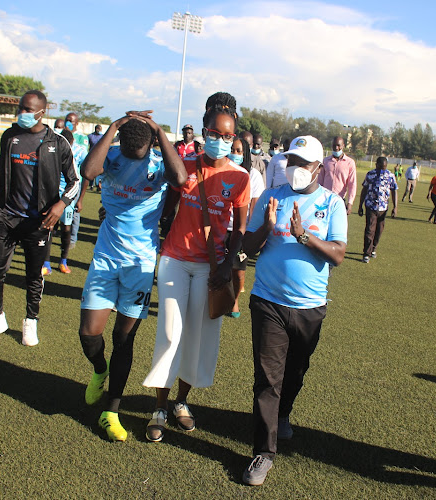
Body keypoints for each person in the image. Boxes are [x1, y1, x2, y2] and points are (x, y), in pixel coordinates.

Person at [142, 92, 250, 442]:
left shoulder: (241, 178)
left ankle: (181, 403)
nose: (221, 141)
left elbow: (240, 230)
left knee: (198, 338)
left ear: (235, 137)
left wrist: (226, 267)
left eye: (228, 136)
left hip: (211, 268)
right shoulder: (185, 166)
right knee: (171, 333)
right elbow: (167, 209)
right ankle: (159, 405)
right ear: (204, 132)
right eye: (215, 134)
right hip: (175, 260)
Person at [240, 135, 347, 486]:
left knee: (295, 372)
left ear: (318, 167)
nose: (294, 169)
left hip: (309, 307)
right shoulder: (271, 197)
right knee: (267, 378)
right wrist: (268, 228)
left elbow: (338, 255)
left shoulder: (332, 204)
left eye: (302, 163)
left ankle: (283, 414)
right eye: (291, 161)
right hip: (268, 302)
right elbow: (248, 247)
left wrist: (304, 236)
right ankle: (263, 453)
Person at [77, 111, 186, 442]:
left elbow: (180, 179)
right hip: (106, 259)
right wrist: (113, 128)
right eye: (125, 149)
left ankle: (111, 412)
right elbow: (87, 171)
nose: (130, 158)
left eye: (137, 152)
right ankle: (99, 370)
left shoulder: (158, 164)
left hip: (139, 264)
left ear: (151, 145)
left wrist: (158, 131)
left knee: (124, 339)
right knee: (88, 333)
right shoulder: (111, 155)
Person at [0, 90, 79, 346]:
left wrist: (60, 205)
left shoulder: (57, 142)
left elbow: (75, 181)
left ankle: (30, 321)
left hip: (40, 222)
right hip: (7, 216)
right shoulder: (10, 136)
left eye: (28, 109)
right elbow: (3, 168)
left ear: (41, 112)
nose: (22, 113)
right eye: (21, 108)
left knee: (34, 275)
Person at [41, 129, 89, 275]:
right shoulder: (51, 149)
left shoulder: (80, 152)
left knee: (66, 229)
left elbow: (86, 175)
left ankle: (63, 261)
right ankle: (46, 263)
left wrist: (80, 199)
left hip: (69, 195)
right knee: (48, 228)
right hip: (51, 194)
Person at [227, 137, 264, 318]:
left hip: (240, 230)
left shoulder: (254, 175)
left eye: (239, 151)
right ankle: (214, 299)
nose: (234, 154)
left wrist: (249, 233)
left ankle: (234, 301)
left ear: (245, 154)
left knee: (238, 272)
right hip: (220, 228)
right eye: (232, 150)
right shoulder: (222, 170)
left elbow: (254, 208)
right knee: (214, 268)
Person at [358, 156, 397, 262]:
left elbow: (394, 191)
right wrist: (360, 205)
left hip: (383, 208)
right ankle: (366, 253)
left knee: (379, 230)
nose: (382, 170)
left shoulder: (390, 175)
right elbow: (364, 189)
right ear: (376, 165)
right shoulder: (370, 174)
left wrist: (395, 207)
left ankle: (373, 248)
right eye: (380, 167)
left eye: (384, 168)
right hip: (371, 206)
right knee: (370, 229)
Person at [318, 136, 357, 215]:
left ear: (343, 146)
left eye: (338, 145)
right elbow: (319, 181)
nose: (336, 148)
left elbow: (352, 184)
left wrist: (350, 203)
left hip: (339, 200)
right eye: (334, 145)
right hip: (324, 199)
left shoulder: (349, 163)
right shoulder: (325, 161)